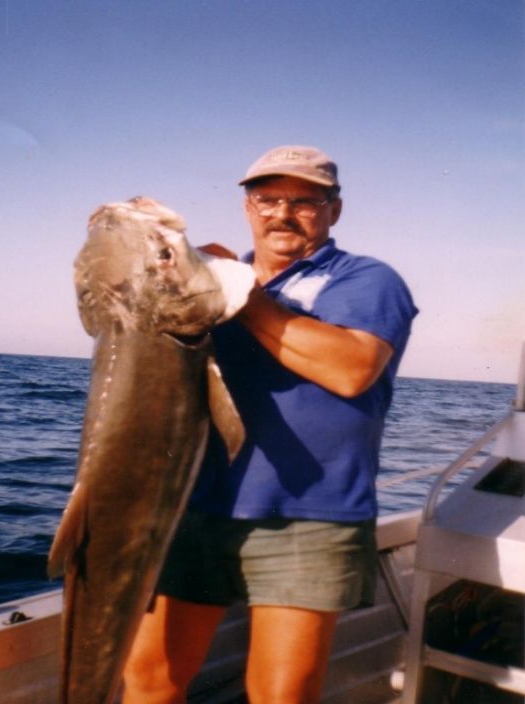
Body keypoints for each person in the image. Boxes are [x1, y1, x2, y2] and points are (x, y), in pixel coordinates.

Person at [123, 145, 418, 704]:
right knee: (148, 680)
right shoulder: (204, 284)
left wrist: (235, 289)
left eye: (305, 201)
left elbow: (352, 369)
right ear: (247, 207)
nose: (282, 213)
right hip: (196, 507)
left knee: (280, 694)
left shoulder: (366, 280)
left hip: (307, 515)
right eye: (267, 198)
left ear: (335, 209)